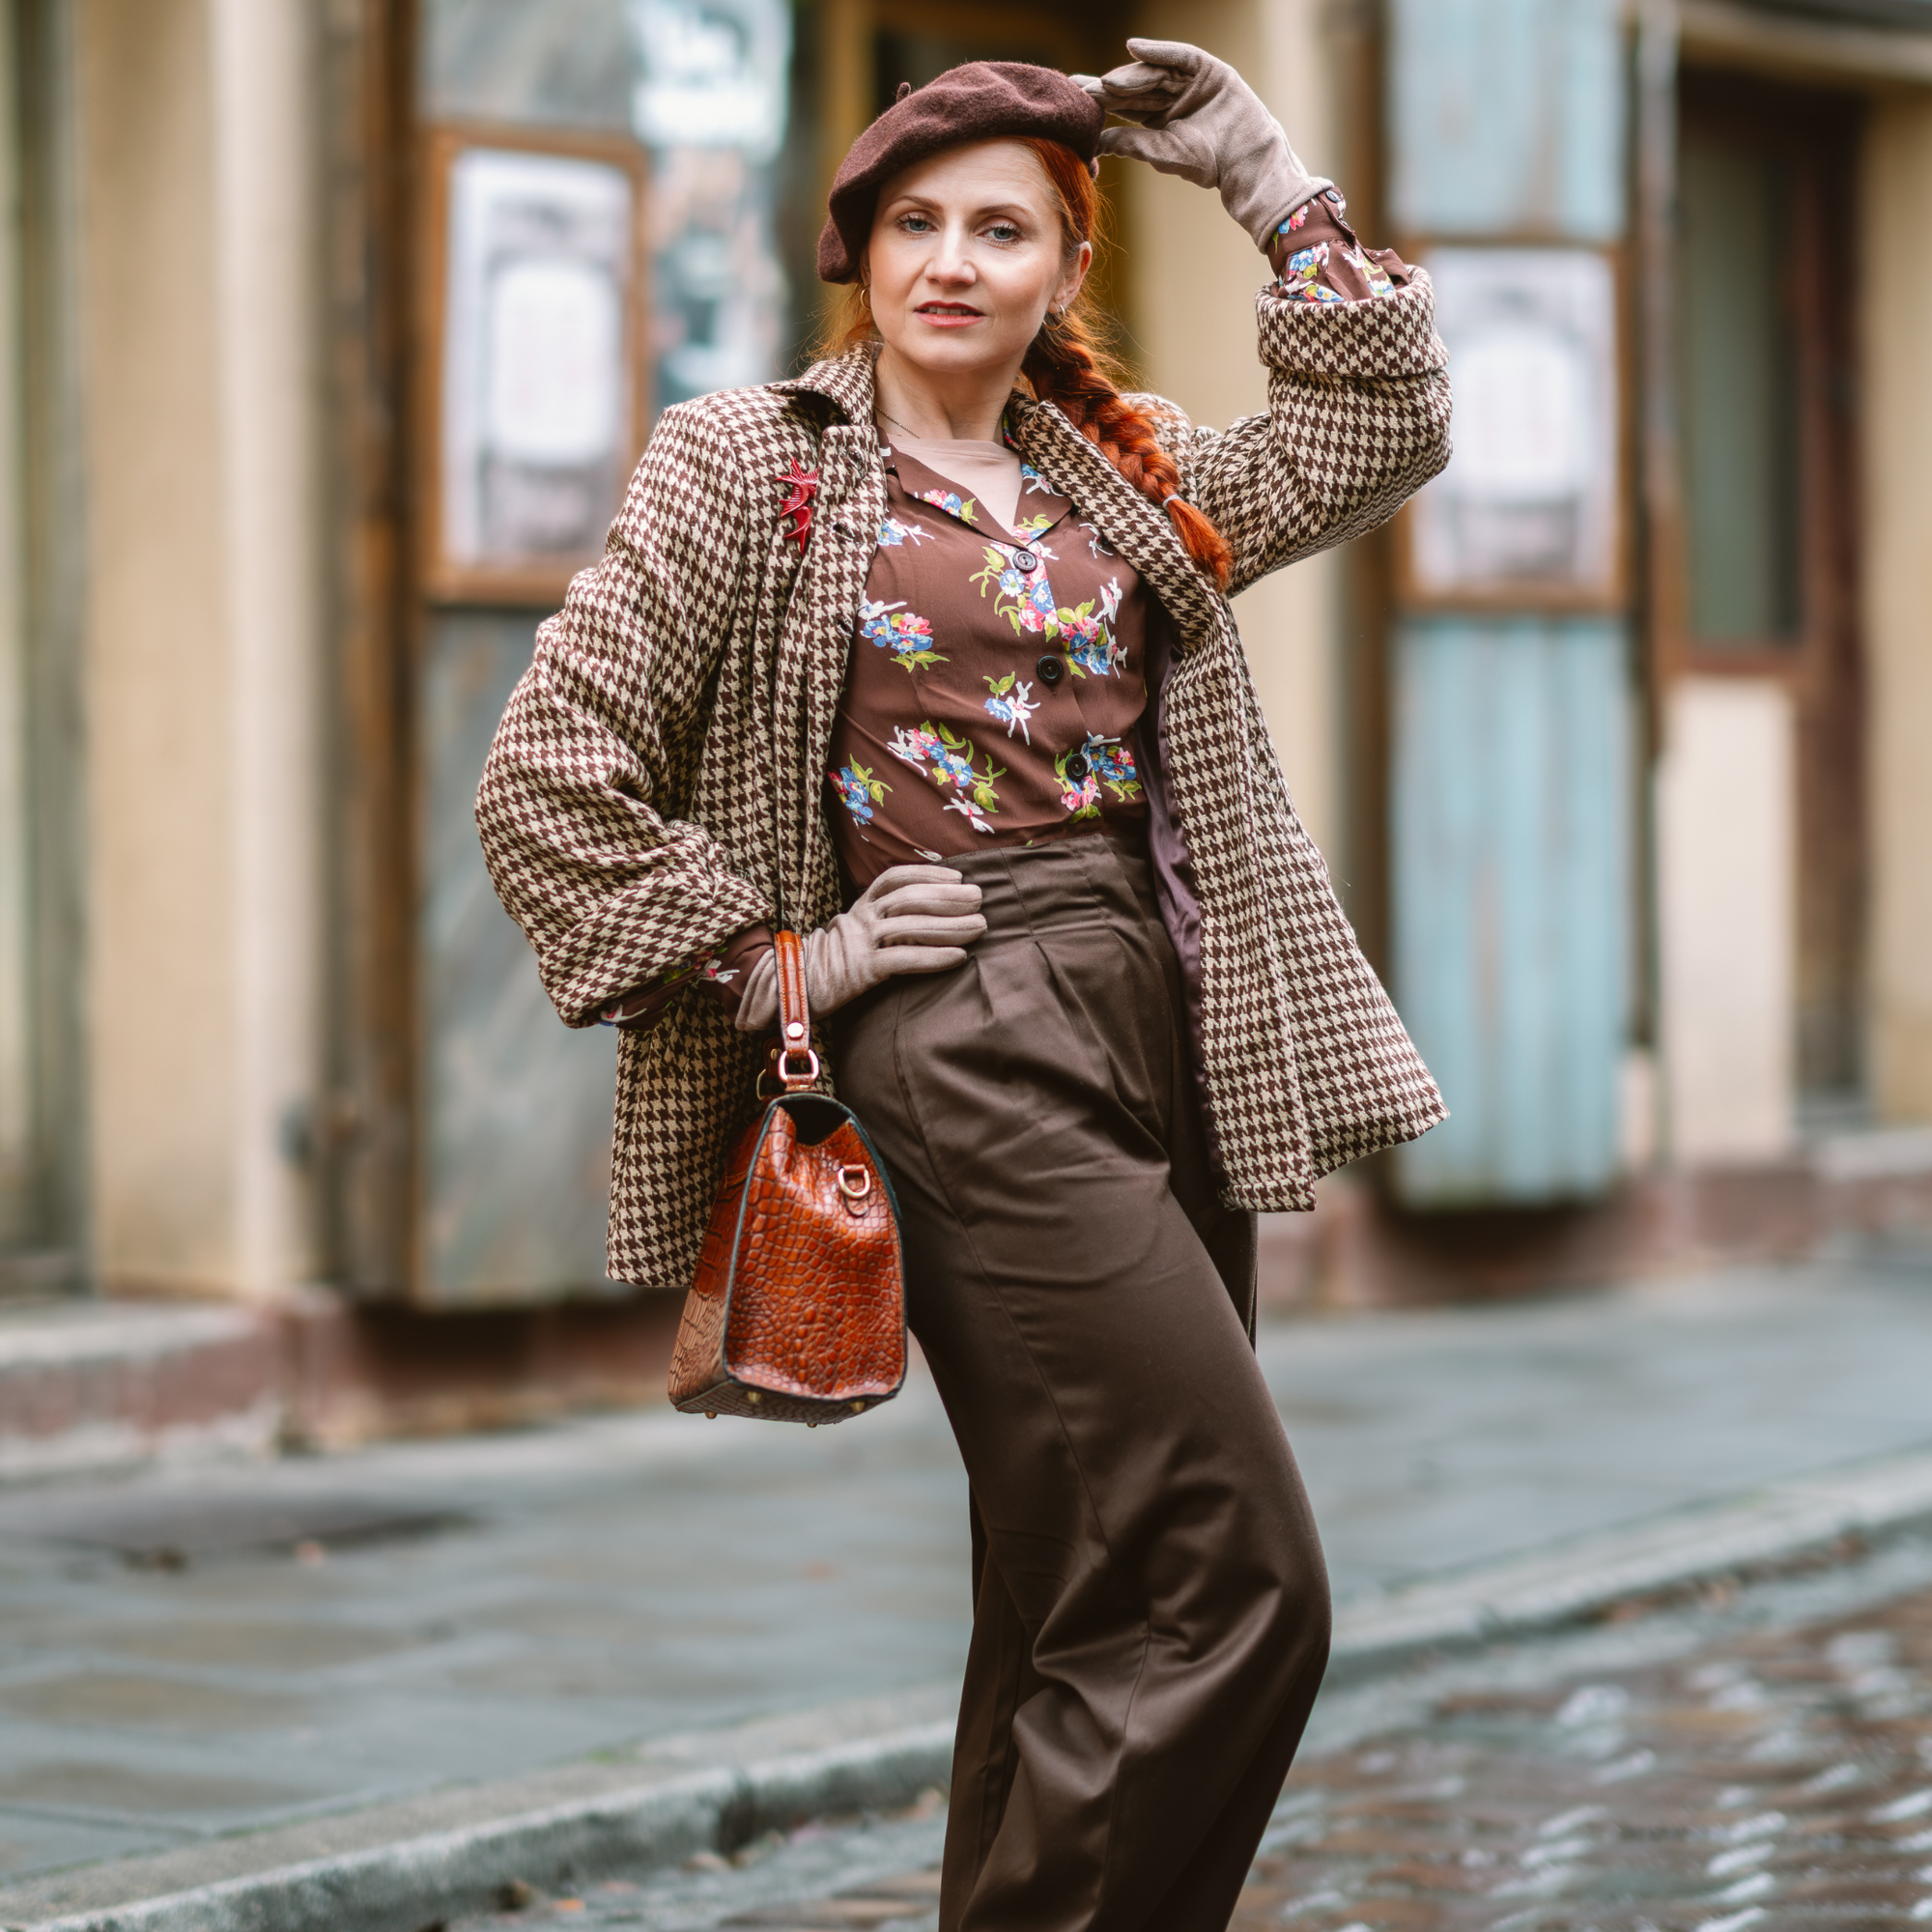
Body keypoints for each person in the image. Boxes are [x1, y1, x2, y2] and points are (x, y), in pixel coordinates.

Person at [477, 41, 1450, 1932]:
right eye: (912, 221)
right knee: (1227, 1573)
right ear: (853, 250)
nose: (950, 258)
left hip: (1155, 1020)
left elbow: (1377, 431)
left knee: (1076, 1583)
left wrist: (1269, 182)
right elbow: (547, 779)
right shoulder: (751, 464)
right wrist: (788, 955)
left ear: (1060, 267)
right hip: (957, 1023)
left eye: (998, 225)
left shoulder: (1121, 465)